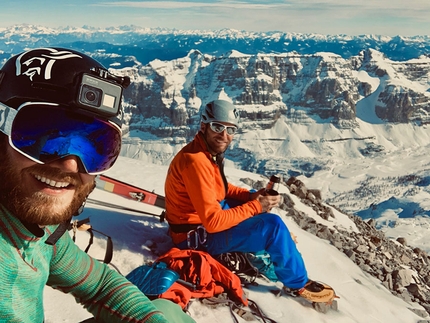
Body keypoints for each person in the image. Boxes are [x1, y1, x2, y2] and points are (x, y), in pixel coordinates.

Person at [0, 47, 195, 323]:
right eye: (40, 135)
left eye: (95, 149)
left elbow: (100, 284)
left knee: (168, 313)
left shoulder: (39, 230)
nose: (70, 165)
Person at [164, 99, 335, 303]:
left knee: (256, 206)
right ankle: (297, 284)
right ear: (203, 126)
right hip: (196, 238)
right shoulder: (196, 161)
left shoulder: (206, 152)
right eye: (218, 127)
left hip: (200, 224)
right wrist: (256, 206)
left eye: (231, 130)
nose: (224, 135)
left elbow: (221, 189)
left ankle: (273, 246)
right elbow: (213, 222)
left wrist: (251, 197)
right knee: (273, 227)